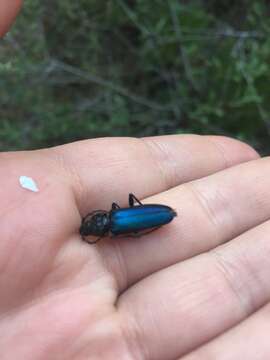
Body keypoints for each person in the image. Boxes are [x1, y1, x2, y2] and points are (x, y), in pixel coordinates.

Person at [1, 3, 269, 359]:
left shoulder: (112, 232)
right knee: (134, 219)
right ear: (96, 220)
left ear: (100, 224)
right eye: (90, 224)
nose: (92, 224)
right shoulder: (112, 226)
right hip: (147, 216)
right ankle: (151, 215)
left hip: (150, 217)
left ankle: (151, 216)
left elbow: (122, 230)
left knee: (135, 223)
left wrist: (138, 223)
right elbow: (121, 224)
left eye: (92, 226)